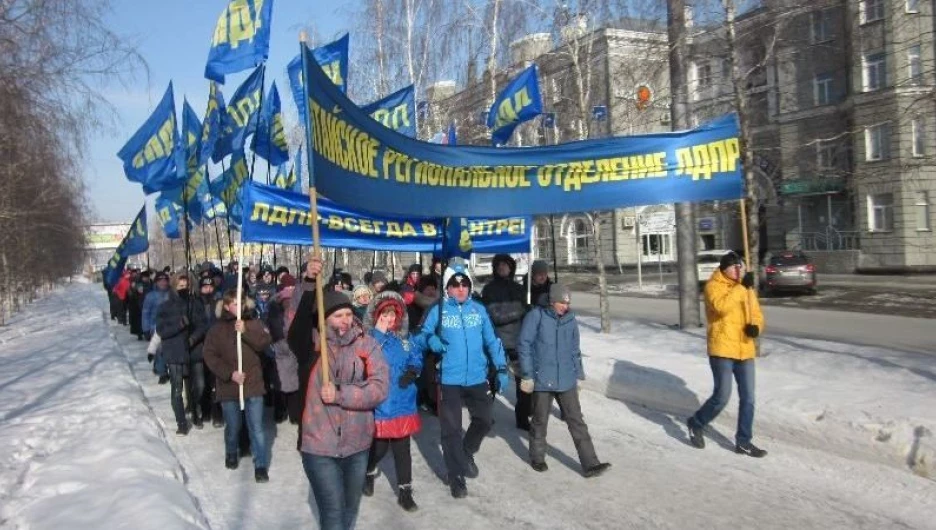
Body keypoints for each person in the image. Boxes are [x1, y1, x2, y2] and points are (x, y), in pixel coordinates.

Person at [292, 287, 389, 530]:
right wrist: (308, 284)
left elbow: (379, 389)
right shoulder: (312, 347)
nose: (345, 320)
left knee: (349, 507)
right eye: (337, 315)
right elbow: (296, 331)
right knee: (333, 512)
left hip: (358, 445)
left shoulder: (366, 345)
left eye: (347, 313)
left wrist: (340, 394)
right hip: (319, 446)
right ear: (324, 318)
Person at [415, 262, 509, 499]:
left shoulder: (478, 310)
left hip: (477, 376)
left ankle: (466, 451)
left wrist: (500, 368)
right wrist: (431, 341)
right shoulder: (438, 310)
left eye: (464, 284)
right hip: (449, 378)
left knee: (485, 420)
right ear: (447, 287)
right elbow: (420, 335)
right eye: (455, 285)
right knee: (451, 429)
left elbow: (492, 340)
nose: (460, 289)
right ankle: (455, 474)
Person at [518, 284, 611, 478]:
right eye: (562, 302)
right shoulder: (537, 316)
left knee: (576, 420)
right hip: (543, 377)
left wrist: (578, 374)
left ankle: (590, 463)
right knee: (540, 420)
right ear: (552, 301)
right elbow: (524, 344)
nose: (565, 307)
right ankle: (537, 457)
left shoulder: (570, 319)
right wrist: (527, 374)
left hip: (566, 379)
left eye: (567, 303)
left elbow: (575, 348)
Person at [687, 251, 767, 457]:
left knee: (748, 398)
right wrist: (741, 288)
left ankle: (743, 441)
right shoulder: (713, 286)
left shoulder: (745, 288)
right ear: (724, 269)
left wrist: (756, 327)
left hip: (744, 348)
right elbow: (721, 308)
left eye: (740, 266)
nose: (738, 270)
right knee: (722, 396)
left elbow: (756, 313)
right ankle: (696, 422)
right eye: (734, 267)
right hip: (722, 348)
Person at [203, 290, 273, 482]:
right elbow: (209, 355)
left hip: (253, 384)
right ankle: (231, 452)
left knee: (256, 427)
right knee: (233, 426)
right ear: (226, 306)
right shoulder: (217, 330)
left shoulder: (254, 323)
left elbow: (264, 343)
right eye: (234, 303)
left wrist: (246, 332)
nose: (238, 307)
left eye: (241, 303)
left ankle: (260, 465)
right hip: (229, 387)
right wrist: (229, 374)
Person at [361, 292, 422, 512]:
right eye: (384, 315)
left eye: (393, 315)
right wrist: (378, 331)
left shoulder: (406, 339)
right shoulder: (370, 339)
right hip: (381, 402)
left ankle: (405, 492)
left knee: (402, 450)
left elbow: (416, 356)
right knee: (378, 449)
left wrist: (414, 370)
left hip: (403, 401)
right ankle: (368, 472)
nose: (389, 319)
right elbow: (364, 359)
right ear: (377, 316)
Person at [481, 254, 532, 430]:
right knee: (492, 381)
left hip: (518, 342)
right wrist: (518, 309)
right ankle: (485, 417)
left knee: (524, 382)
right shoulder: (488, 289)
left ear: (511, 268)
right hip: (497, 342)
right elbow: (494, 315)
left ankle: (523, 417)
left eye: (506, 265)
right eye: (500, 265)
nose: (503, 268)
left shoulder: (519, 289)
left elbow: (527, 313)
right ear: (495, 268)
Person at [155, 274, 209, 435]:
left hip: (193, 349)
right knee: (177, 388)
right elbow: (161, 330)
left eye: (186, 285)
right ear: (174, 286)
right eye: (180, 286)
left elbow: (202, 325)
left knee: (199, 385)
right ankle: (181, 422)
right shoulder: (165, 306)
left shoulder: (195, 303)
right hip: (175, 351)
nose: (184, 289)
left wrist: (193, 338)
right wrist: (179, 325)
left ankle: (194, 409)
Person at [143, 272, 172, 384]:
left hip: (170, 325)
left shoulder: (172, 294)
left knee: (167, 349)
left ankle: (163, 367)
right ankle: (162, 372)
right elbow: (146, 313)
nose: (163, 282)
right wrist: (145, 328)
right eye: (160, 280)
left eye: (165, 280)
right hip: (155, 327)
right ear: (156, 282)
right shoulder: (150, 296)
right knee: (159, 349)